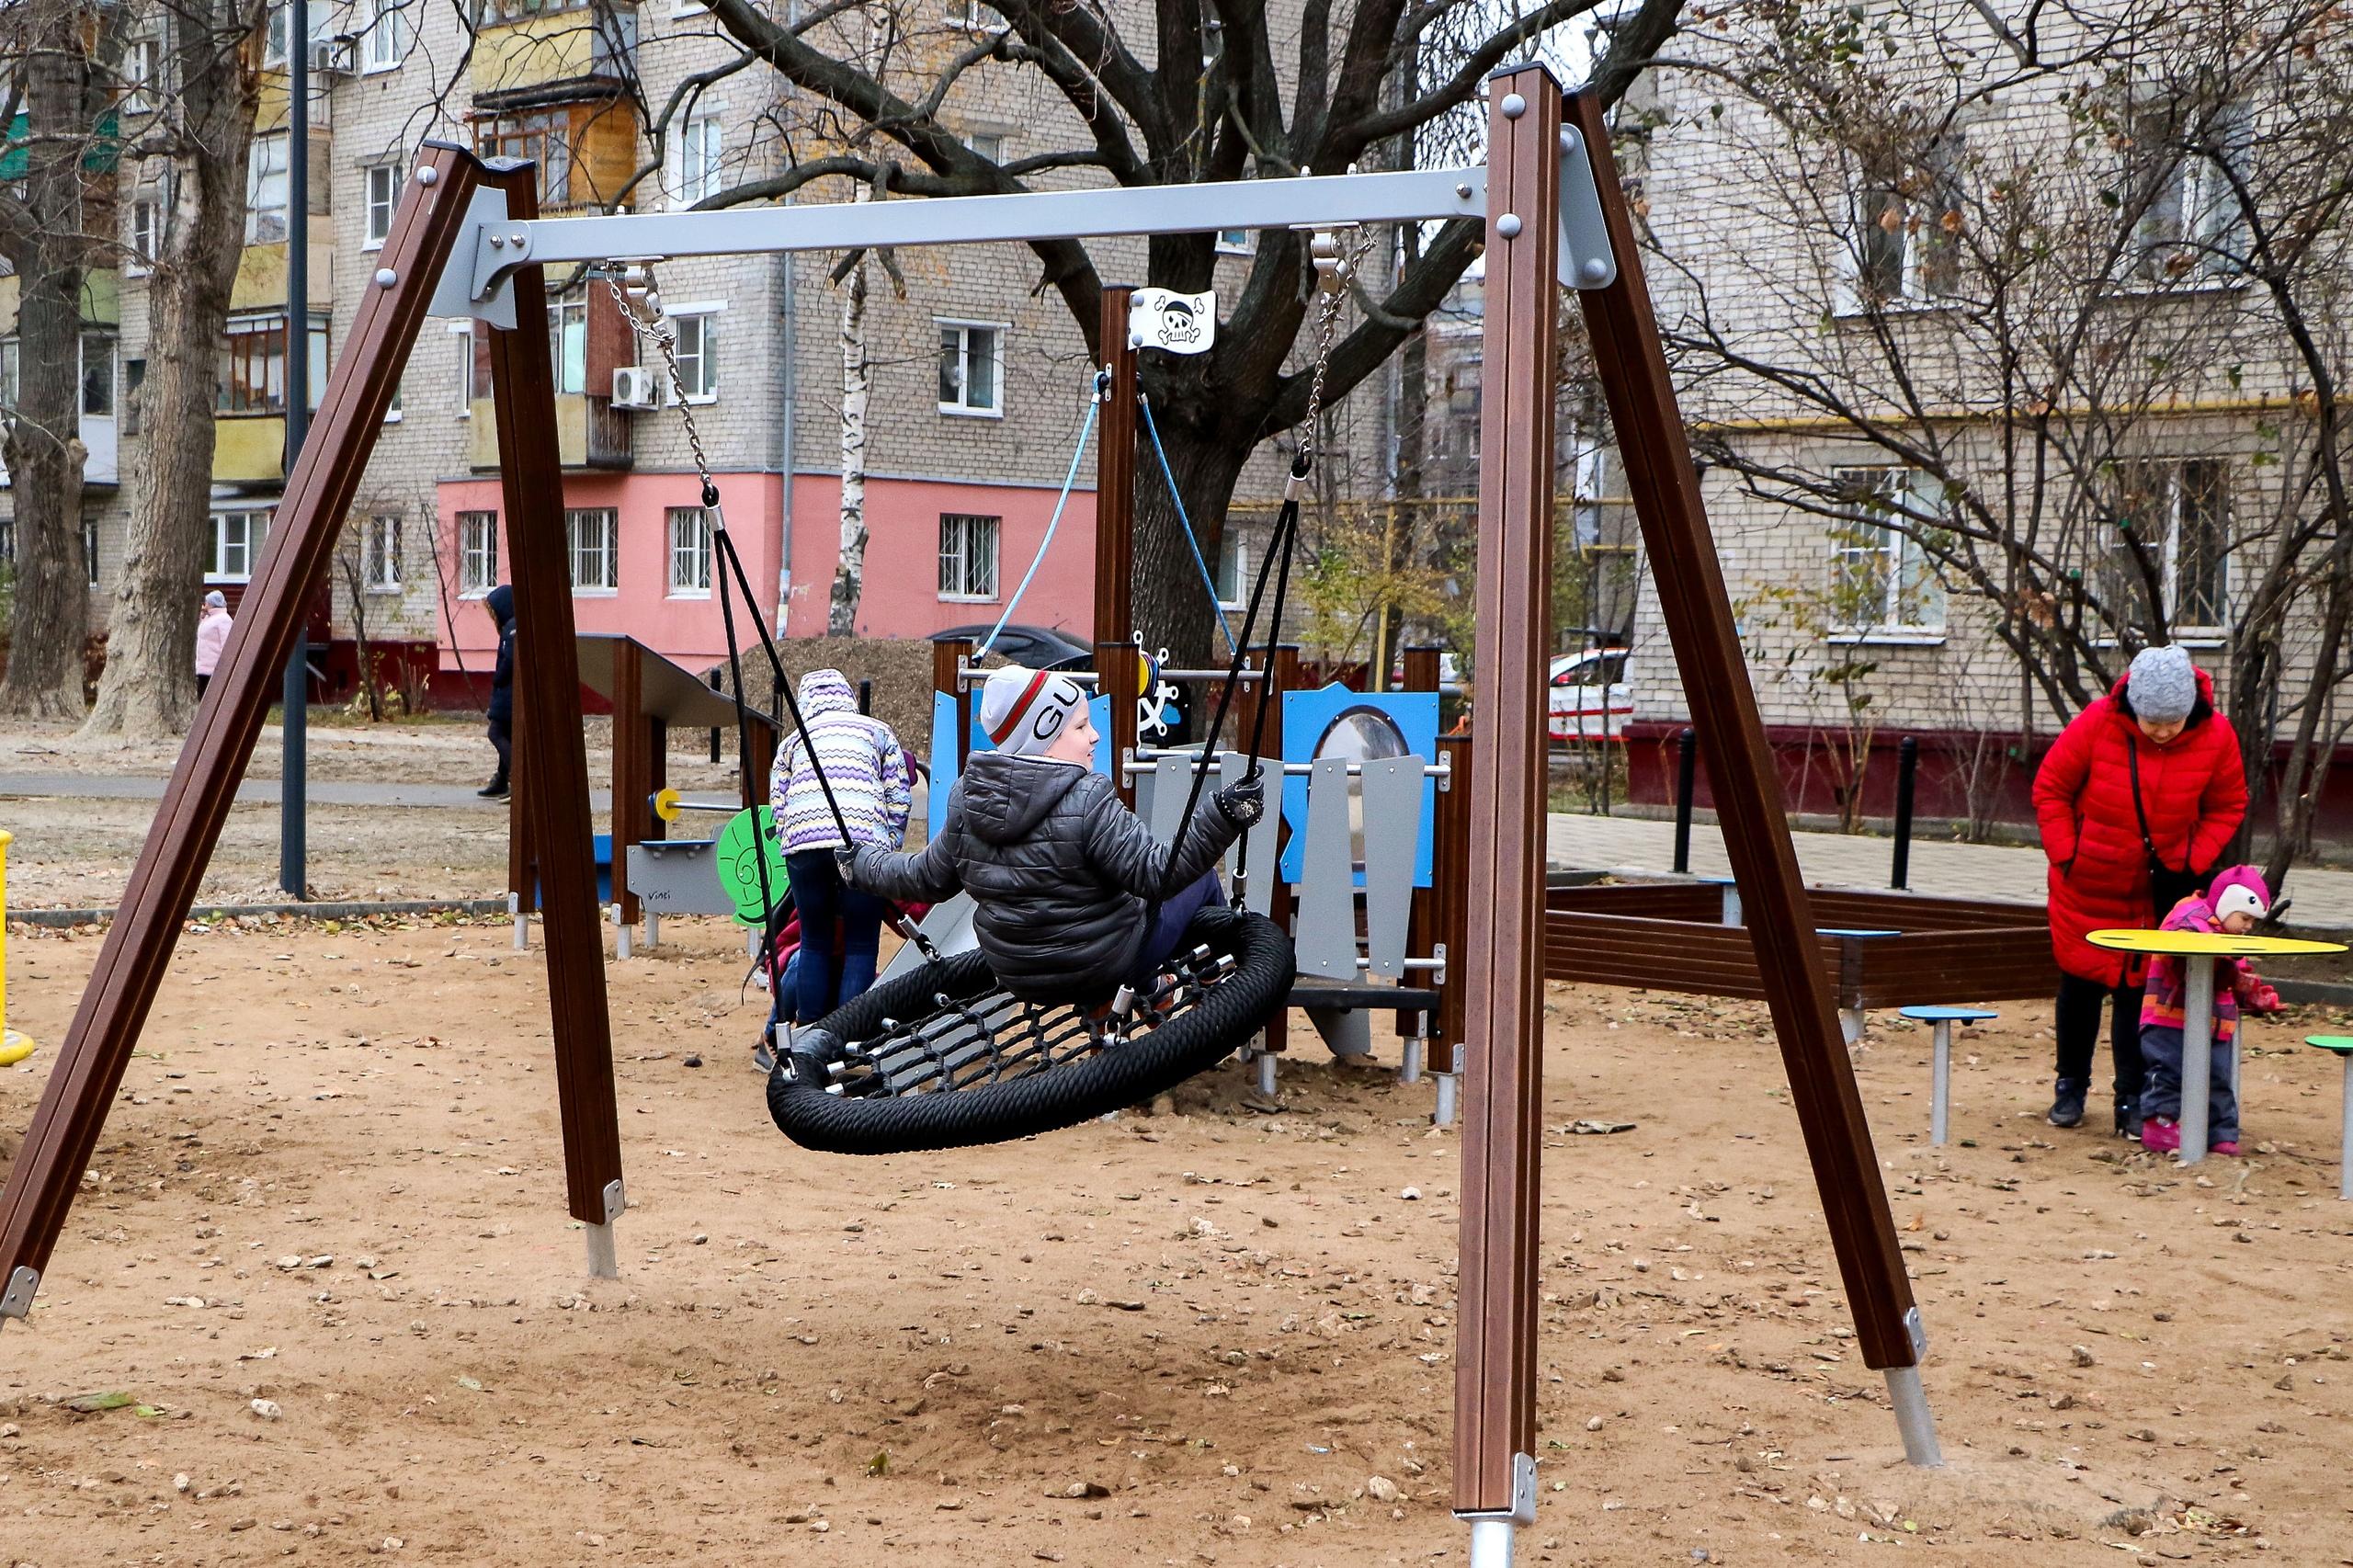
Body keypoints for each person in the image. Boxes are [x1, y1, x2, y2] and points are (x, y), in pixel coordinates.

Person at [845, 663, 1263, 1003]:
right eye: (1081, 728)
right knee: (1198, 880)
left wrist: (860, 863)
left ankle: (1151, 989)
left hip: (1016, 973)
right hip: (1104, 964)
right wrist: (1223, 814)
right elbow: (1157, 873)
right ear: (1043, 738)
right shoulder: (1087, 797)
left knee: (1114, 891)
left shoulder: (964, 800)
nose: (1095, 735)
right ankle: (1213, 981)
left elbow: (923, 878)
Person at [2033, 643, 2246, 1137]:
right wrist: (2068, 853)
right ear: (2133, 704)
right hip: (2086, 884)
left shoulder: (2217, 736)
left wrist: (2191, 859)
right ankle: (2070, 1087)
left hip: (2160, 890)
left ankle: (2132, 1096)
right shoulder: (2096, 723)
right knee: (2079, 988)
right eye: (2152, 721)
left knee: (2139, 995)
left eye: (2172, 721)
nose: (2163, 731)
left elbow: (2228, 804)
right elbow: (2051, 790)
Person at [770, 668, 912, 1025]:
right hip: (863, 843)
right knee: (861, 944)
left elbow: (779, 804)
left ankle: (810, 1035)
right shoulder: (876, 731)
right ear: (848, 697)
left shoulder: (793, 742)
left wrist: (794, 841)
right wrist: (888, 847)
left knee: (815, 941)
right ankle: (849, 1037)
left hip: (804, 846)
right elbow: (899, 796)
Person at [2138, 867, 2283, 1157]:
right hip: (2169, 1016)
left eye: (2253, 921)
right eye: (2245, 918)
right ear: (2228, 904)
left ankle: (2220, 1132)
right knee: (2168, 1071)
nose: (2248, 926)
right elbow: (2183, 955)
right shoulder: (2189, 918)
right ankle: (2160, 1123)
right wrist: (2232, 975)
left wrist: (2251, 991)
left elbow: (2232, 970)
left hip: (2217, 1021)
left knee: (2219, 1076)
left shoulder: (2227, 934)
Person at [479, 585, 515, 800]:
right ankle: (501, 780)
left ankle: (516, 777)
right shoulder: (511, 627)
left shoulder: (511, 629)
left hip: (508, 695)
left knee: (496, 733)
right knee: (507, 734)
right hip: (509, 695)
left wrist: (497, 679)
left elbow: (509, 661)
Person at [193, 590, 233, 699]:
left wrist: (224, 666)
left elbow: (227, 645)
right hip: (202, 667)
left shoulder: (224, 619)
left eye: (206, 603)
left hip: (213, 668)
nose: (204, 605)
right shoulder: (207, 618)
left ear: (211, 603)